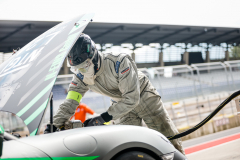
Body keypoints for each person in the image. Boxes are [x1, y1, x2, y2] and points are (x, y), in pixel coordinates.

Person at [44, 33, 185, 154]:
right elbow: (70, 103)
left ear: (93, 57)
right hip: (119, 104)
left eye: (83, 66)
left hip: (144, 96)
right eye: (77, 68)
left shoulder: (120, 62)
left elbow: (132, 98)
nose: (81, 71)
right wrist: (53, 125)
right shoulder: (80, 77)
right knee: (128, 145)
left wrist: (101, 119)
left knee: (167, 140)